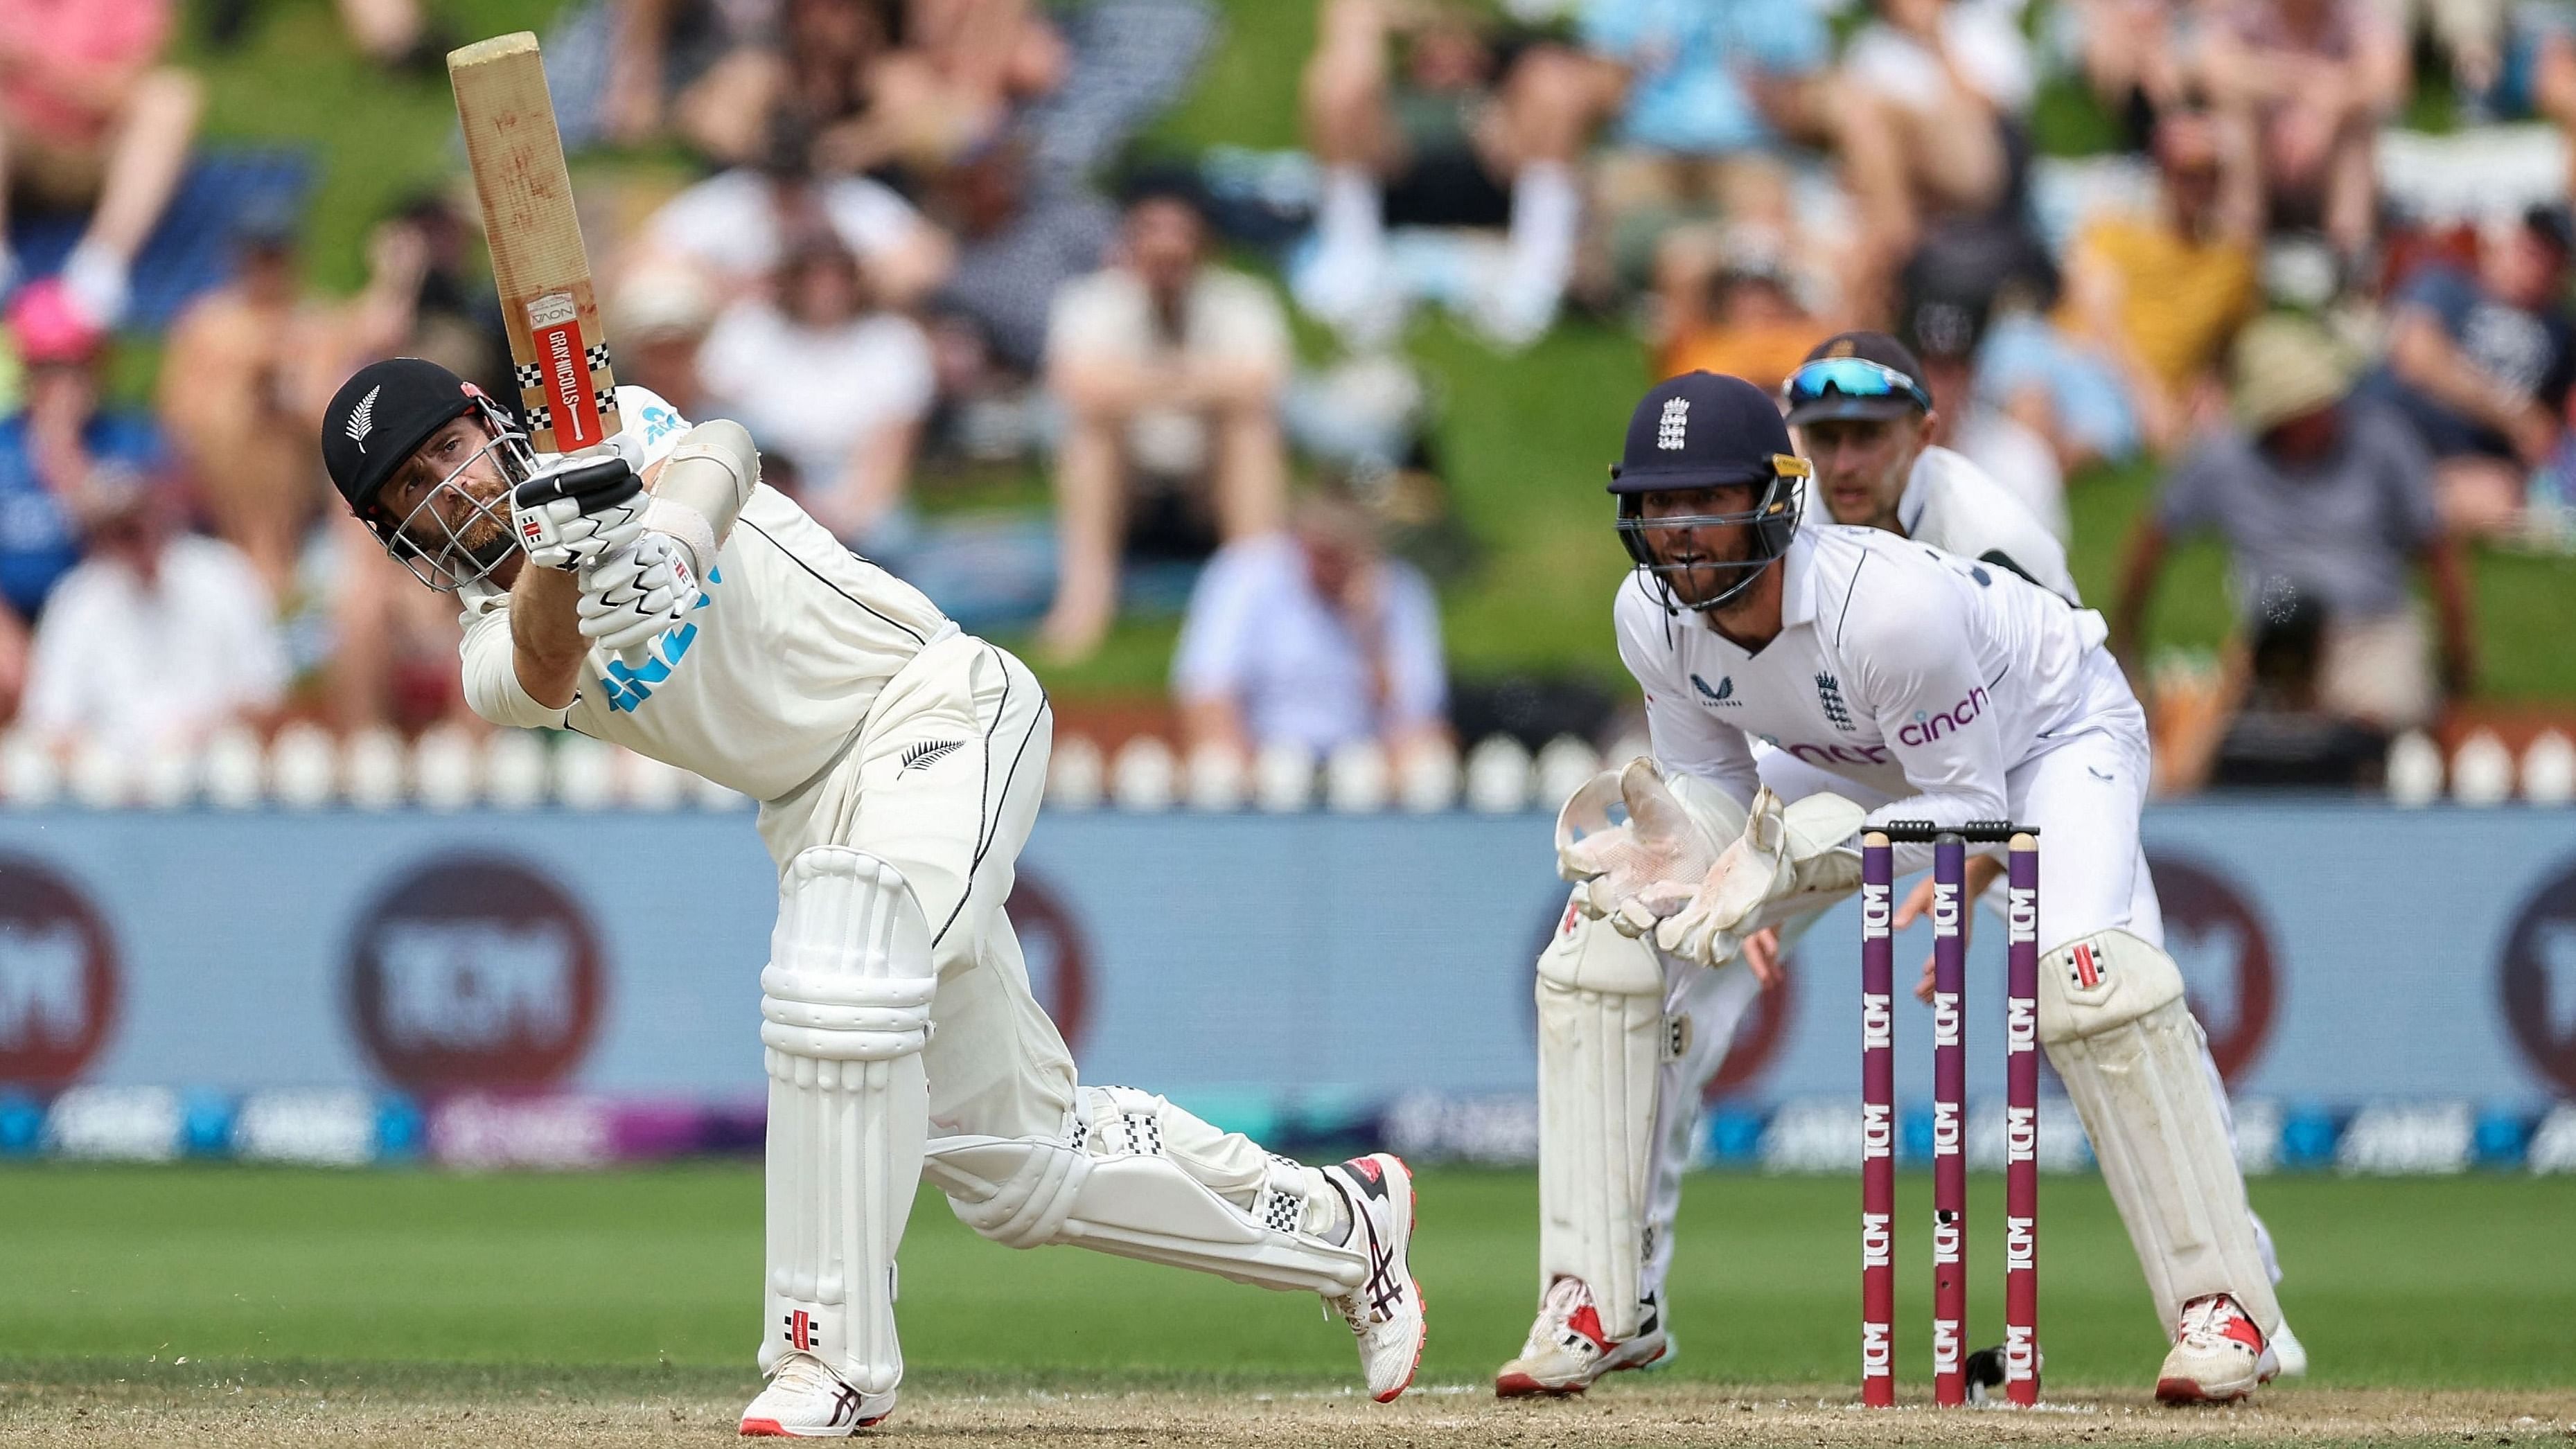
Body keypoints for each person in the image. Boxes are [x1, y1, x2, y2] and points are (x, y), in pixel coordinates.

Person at [315, 356, 1426, 1434]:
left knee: (842, 981)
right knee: (1016, 1167)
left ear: (486, 420)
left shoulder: (607, 437)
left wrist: (670, 533)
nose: (446, 490)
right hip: (811, 814)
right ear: (392, 536)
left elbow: (722, 449)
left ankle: (825, 1353)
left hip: (927, 706)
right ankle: (1344, 1226)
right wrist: (564, 552)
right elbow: (545, 667)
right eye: (410, 490)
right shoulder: (485, 653)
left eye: (447, 452)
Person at [1496, 370, 2300, 1404]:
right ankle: (1598, 1299)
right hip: (1857, 749)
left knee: (2085, 978)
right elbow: (1713, 786)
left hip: (2047, 737)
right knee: (1598, 940)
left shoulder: (1888, 612)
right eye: (1656, 504)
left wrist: (1781, 861)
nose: (1680, 530)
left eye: (1707, 500)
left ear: (1770, 501)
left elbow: (1968, 812)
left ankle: (2224, 1306)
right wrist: (1680, 859)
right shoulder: (1650, 618)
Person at [2123, 314, 2477, 733]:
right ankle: (2267, 701)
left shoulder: (2383, 439)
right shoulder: (2224, 458)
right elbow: (2155, 533)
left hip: (2372, 622)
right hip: (2278, 621)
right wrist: (2127, 641)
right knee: (2285, 608)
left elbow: (2438, 548)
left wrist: (2459, 658)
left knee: (2379, 724)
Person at [1040, 180, 1291, 661]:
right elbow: (1078, 389)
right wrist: (1199, 380)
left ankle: (1262, 605)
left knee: (1250, 430)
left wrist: (1140, 383)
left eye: (1179, 239)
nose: (1165, 254)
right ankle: (1087, 598)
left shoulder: (1242, 300)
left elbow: (1263, 385)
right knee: (1091, 437)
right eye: (1152, 236)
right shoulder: (1090, 301)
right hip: (1132, 490)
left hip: (1208, 489)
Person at [1294, 0, 1605, 348]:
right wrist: (1429, 22)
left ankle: (1538, 276)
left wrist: (1488, 46)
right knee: (1343, 76)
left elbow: (1599, 68)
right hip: (1397, 155)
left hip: (1498, 151)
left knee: (1553, 83)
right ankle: (1351, 256)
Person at [1172, 487, 1450, 774]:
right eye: (1323, 551)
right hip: (1264, 760)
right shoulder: (1245, 575)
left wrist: (1370, 634)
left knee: (1423, 757)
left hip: (1365, 764)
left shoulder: (1401, 591)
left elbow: (1417, 716)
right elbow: (1209, 694)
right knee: (1219, 757)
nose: (1330, 564)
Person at [1781, 332, 2074, 603]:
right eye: (1824, 439)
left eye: (1868, 437)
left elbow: (2077, 658)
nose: (1843, 466)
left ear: (1923, 435)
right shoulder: (1779, 533)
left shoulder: (1997, 543)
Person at [18, 470, 286, 759]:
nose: (136, 542)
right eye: (119, 533)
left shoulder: (224, 576)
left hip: (215, 771)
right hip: (112, 786)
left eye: (138, 527)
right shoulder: (76, 602)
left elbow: (267, 695)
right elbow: (50, 721)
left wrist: (206, 731)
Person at [696, 235, 935, 551]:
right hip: (764, 475)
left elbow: (893, 440)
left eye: (836, 277)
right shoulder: (750, 328)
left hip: (853, 474)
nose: (825, 289)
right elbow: (719, 413)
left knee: (887, 542)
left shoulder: (892, 340)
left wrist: (854, 508)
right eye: (810, 277)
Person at [2361, 206, 2576, 540]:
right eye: (2531, 250)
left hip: (2464, 466)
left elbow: (2554, 428)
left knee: (2499, 496)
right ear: (2503, 246)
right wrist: (2516, 416)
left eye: (2553, 258)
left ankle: (2373, 511)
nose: (2538, 265)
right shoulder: (2447, 285)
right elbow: (2418, 357)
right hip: (2389, 431)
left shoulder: (2561, 335)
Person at [0, 0, 202, 338]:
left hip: (99, 152)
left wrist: (33, 63)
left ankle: (101, 265)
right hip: (19, 152)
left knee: (171, 99)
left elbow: (121, 91)